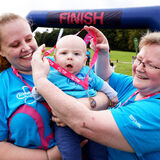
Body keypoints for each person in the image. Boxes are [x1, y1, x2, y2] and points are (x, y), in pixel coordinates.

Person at [31, 25, 160, 160]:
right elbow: (106, 78)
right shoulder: (135, 86)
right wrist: (103, 51)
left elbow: (83, 121)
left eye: (151, 65)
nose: (139, 68)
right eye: (139, 59)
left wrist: (40, 80)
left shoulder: (155, 111)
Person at [0, 13, 108, 160]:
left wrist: (85, 104)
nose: (26, 48)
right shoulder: (3, 85)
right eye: (15, 44)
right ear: (1, 51)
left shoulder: (61, 63)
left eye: (28, 39)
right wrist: (49, 156)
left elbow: (103, 93)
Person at [32, 34, 118, 160]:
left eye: (76, 54)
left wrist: (113, 96)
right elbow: (40, 93)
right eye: (64, 53)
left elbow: (102, 85)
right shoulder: (51, 76)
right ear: (55, 58)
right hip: (65, 123)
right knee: (70, 153)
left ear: (84, 60)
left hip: (93, 120)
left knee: (99, 151)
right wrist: (38, 89)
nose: (70, 57)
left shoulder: (88, 73)